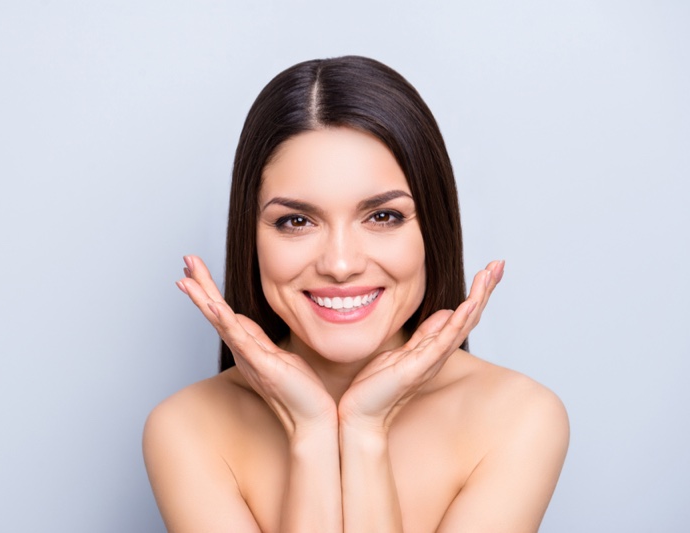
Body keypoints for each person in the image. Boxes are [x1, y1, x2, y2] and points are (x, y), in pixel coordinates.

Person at [143, 55, 569, 532]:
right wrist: (312, 432)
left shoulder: (517, 417)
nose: (340, 264)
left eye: (382, 216)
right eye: (296, 221)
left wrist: (365, 431)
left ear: (433, 229)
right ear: (251, 237)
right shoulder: (188, 428)